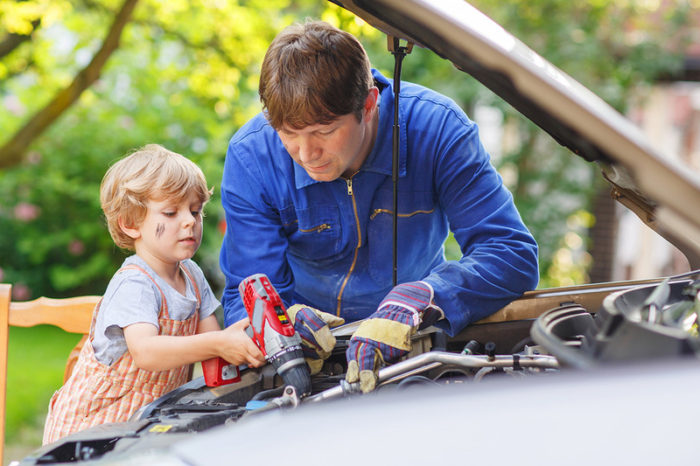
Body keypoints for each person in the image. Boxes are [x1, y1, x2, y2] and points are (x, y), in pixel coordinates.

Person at [219, 21, 539, 392]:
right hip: (310, 358)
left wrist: (427, 297)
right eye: (289, 133)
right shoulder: (252, 157)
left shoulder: (437, 131)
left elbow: (512, 254)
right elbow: (247, 294)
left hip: (418, 346)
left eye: (324, 131)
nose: (306, 154)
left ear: (368, 104)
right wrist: (283, 322)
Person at [43, 144, 265, 444]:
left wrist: (241, 346)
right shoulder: (135, 284)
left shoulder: (192, 275)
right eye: (172, 212)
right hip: (96, 428)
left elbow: (213, 348)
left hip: (147, 423)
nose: (189, 221)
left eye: (196, 211)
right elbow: (146, 352)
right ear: (131, 224)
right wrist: (219, 343)